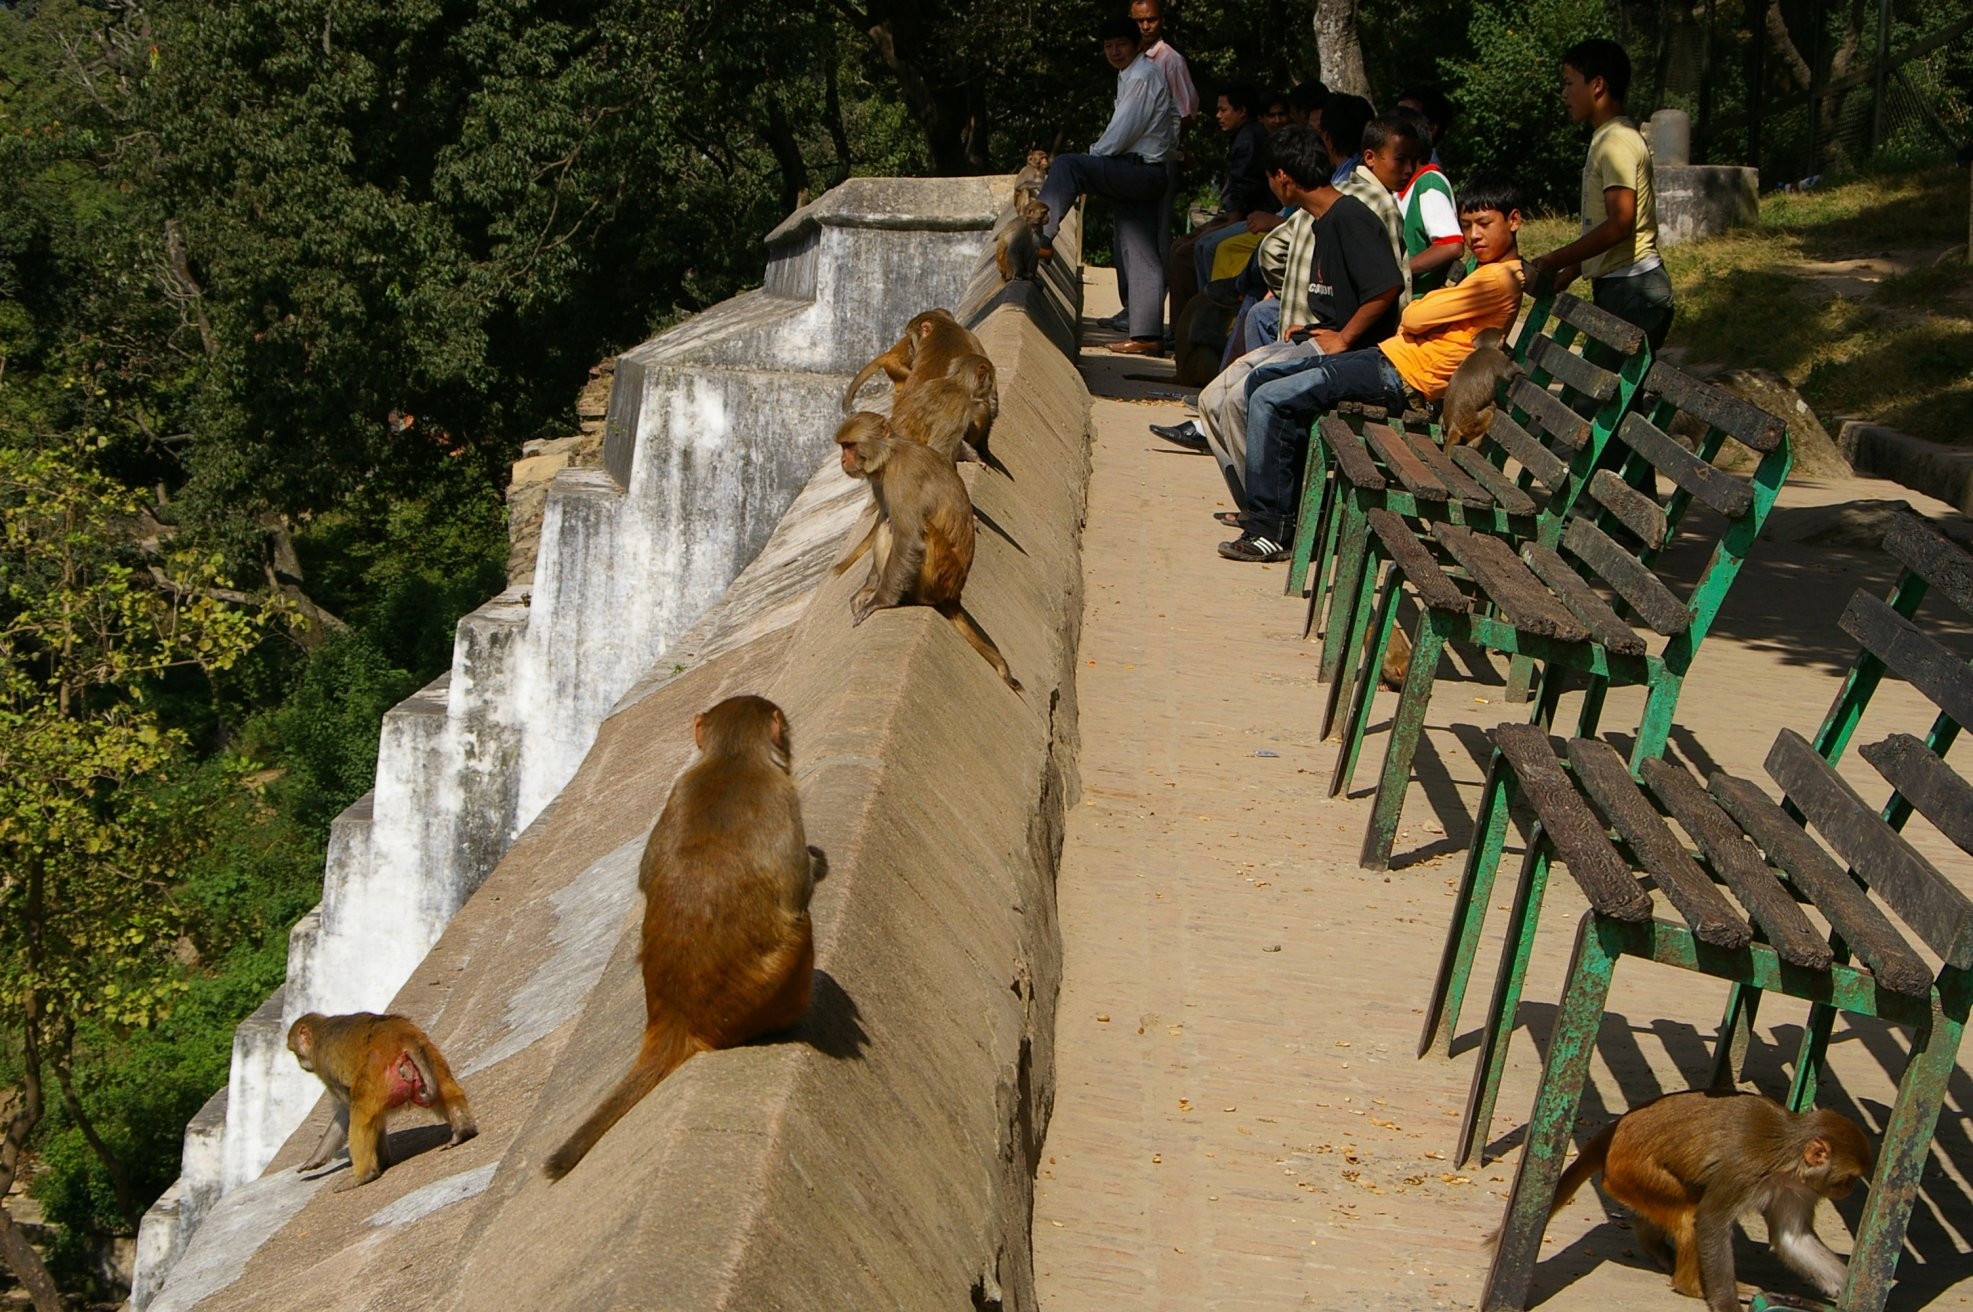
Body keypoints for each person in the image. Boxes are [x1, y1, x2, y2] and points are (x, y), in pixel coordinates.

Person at [1219, 178, 1525, 562]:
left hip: (1403, 380)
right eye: (1467, 226)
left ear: (1513, 220)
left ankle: (1271, 529)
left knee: (1273, 398)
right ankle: (1291, 514)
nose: (1474, 235)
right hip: (1389, 360)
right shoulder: (1485, 272)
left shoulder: (1500, 278)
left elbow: (1415, 313)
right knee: (1264, 380)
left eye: (1484, 223)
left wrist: (1427, 308)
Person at [1038, 16, 1178, 356]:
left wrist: (1092, 163)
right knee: (1140, 251)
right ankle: (1147, 336)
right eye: (1109, 46)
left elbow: (1120, 132)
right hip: (1147, 171)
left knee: (1068, 165)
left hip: (1140, 170)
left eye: (1121, 45)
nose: (1114, 52)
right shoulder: (1131, 76)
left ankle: (1038, 235)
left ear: (1136, 46)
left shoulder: (1142, 77)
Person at [1527, 39, 1673, 351]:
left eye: (1569, 83)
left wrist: (1555, 259)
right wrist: (1571, 271)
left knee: (1591, 400)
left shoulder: (1616, 141)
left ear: (1597, 85)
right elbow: (1604, 230)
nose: (1564, 94)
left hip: (1634, 290)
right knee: (1596, 397)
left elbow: (1620, 224)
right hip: (1622, 288)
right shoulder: (1608, 138)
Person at [1167, 83, 1272, 329]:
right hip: (1237, 215)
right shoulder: (1244, 136)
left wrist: (1225, 224)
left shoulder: (1249, 139)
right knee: (1180, 246)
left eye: (1224, 110)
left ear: (1241, 111)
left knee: (1199, 249)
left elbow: (1243, 191)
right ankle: (1182, 326)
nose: (1218, 116)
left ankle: (1203, 323)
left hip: (1252, 217)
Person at [1394, 103, 1463, 295]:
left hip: (1419, 303)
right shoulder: (1401, 186)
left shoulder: (1428, 184)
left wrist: (1399, 273)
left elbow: (1451, 246)